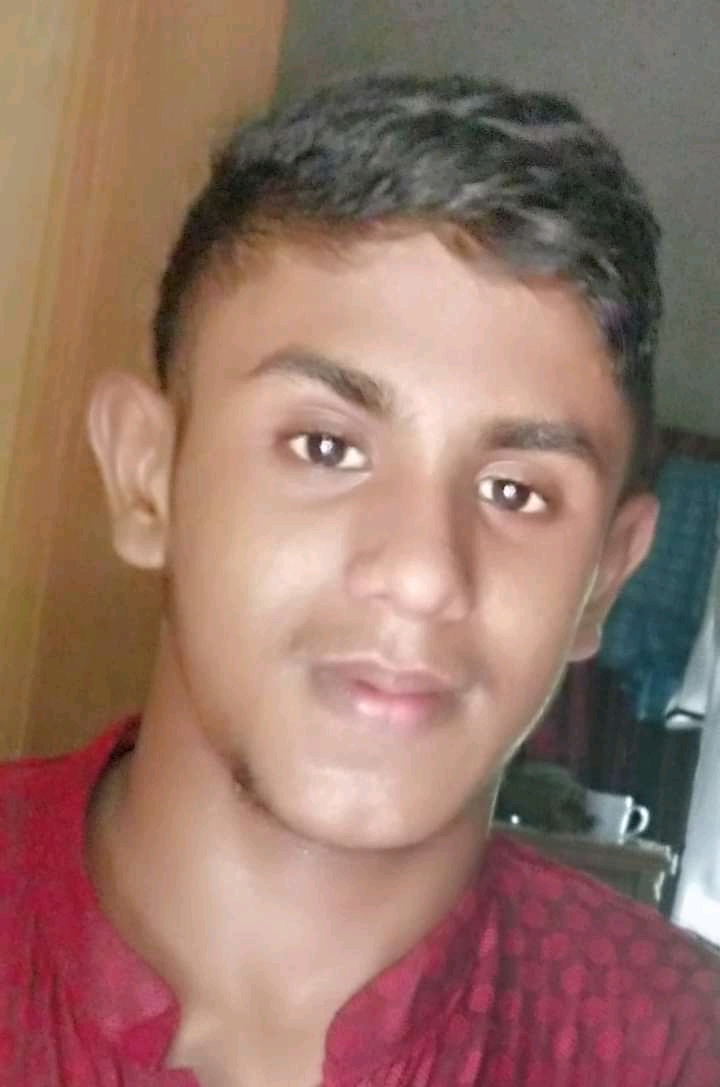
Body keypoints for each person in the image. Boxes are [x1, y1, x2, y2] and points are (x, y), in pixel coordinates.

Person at [1, 72, 718, 1087]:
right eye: (325, 446)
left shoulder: (676, 1047)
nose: (423, 572)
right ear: (147, 478)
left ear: (603, 580)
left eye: (516, 492)